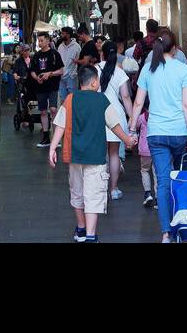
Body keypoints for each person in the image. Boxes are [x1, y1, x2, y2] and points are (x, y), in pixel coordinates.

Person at [49, 64, 138, 243]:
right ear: (95, 82)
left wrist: (52, 147)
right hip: (96, 156)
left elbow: (60, 124)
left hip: (74, 156)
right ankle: (90, 235)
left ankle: (81, 228)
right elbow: (115, 126)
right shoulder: (102, 100)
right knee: (94, 194)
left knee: (77, 192)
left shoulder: (70, 99)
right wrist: (128, 140)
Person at [129, 29, 187, 242]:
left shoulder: (148, 70)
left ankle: (166, 232)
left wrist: (132, 129)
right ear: (175, 48)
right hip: (179, 133)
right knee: (181, 178)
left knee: (163, 181)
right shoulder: (182, 68)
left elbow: (139, 103)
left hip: (156, 133)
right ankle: (183, 222)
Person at [98, 42, 134, 201]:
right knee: (114, 154)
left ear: (102, 54)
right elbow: (125, 97)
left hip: (97, 114)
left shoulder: (94, 70)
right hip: (116, 116)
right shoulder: (119, 72)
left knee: (100, 155)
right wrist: (132, 118)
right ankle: (113, 189)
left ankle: (99, 189)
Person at [31, 33, 63, 147]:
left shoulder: (55, 54)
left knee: (53, 109)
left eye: (41, 40)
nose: (39, 43)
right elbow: (32, 71)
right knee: (43, 111)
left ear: (48, 41)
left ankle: (56, 136)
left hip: (52, 86)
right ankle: (45, 136)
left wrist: (50, 74)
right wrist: (36, 78)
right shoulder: (36, 55)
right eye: (38, 41)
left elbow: (61, 70)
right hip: (41, 87)